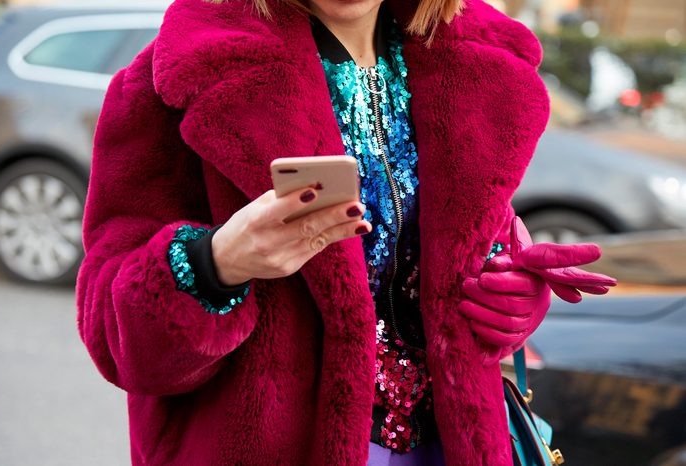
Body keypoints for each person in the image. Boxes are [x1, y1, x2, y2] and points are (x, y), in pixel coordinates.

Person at [75, 0, 614, 464]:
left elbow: (466, 266)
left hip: (452, 446)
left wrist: (508, 300)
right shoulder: (174, 81)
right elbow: (113, 335)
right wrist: (214, 265)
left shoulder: (470, 71)